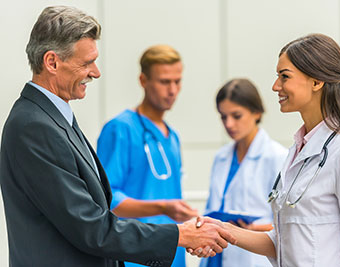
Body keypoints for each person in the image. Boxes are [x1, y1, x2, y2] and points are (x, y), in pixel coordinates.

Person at [0, 6, 235, 267]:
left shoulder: (54, 118)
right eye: (86, 62)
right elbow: (91, 227)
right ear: (52, 62)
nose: (96, 72)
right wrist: (180, 233)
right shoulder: (34, 126)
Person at [192, 33, 340, 266]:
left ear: (316, 82)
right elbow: (282, 242)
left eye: (284, 76)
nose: (275, 86)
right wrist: (221, 228)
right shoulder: (297, 151)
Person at [97, 45, 197, 267]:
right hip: (134, 257)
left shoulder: (173, 137)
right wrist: (161, 207)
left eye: (177, 81)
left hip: (173, 253)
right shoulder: (120, 129)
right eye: (164, 82)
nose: (172, 90)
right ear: (143, 80)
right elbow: (107, 199)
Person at [199, 78, 287, 267]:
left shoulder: (277, 157)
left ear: (257, 112)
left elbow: (288, 223)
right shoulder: (221, 157)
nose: (229, 124)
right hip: (215, 256)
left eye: (236, 116)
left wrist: (253, 229)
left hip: (251, 257)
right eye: (223, 117)